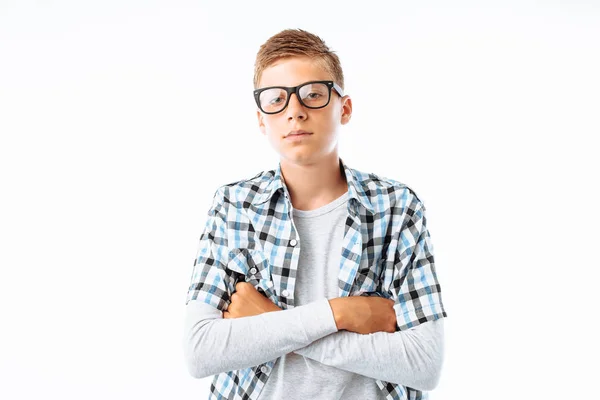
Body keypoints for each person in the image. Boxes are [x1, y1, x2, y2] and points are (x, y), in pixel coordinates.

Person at [183, 28, 448, 400]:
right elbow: (200, 351)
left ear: (345, 108)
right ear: (261, 119)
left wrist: (269, 321)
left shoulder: (397, 207)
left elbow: (424, 362)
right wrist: (339, 314)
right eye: (276, 99)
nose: (295, 111)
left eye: (312, 94)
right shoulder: (234, 206)